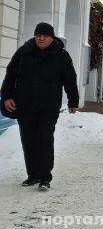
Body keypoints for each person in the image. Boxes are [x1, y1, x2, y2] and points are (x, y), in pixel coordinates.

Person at [1, 23, 79, 190]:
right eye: (38, 35)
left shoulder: (61, 56)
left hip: (48, 107)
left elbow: (70, 79)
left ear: (51, 38)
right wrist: (6, 96)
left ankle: (45, 177)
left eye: (45, 35)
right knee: (28, 140)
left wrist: (73, 101)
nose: (41, 38)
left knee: (44, 139)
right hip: (25, 105)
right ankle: (33, 175)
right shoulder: (24, 52)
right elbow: (10, 74)